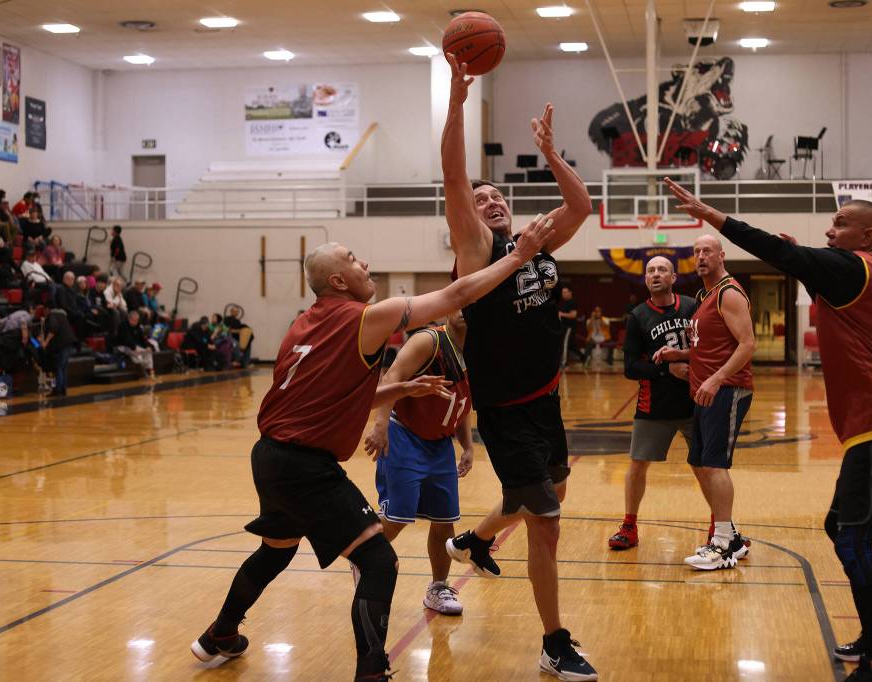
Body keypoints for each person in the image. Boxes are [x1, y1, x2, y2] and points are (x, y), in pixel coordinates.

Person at [189, 220, 556, 681]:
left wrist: (401, 388)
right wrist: (518, 257)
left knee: (277, 549)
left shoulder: (303, 325)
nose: (365, 263)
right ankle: (371, 671)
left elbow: (332, 396)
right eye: (353, 259)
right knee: (378, 559)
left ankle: (219, 635)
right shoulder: (363, 318)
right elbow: (456, 296)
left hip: (271, 457)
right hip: (305, 466)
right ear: (339, 281)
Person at [664, 178, 872, 682]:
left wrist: (712, 215)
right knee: (842, 529)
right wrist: (801, 264)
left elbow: (773, 251)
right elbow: (819, 281)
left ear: (868, 235)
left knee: (853, 541)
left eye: (841, 224)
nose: (830, 230)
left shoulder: (855, 267)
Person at [439, 53, 597, 681]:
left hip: (547, 398)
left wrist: (554, 155)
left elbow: (581, 207)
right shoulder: (476, 248)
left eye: (499, 193)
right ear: (468, 214)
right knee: (547, 522)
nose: (492, 200)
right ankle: (555, 642)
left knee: (551, 492)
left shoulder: (530, 243)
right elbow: (452, 173)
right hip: (505, 411)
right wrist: (456, 102)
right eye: (482, 198)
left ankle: (473, 542)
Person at [654, 233, 755, 571]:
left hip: (727, 389)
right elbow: (708, 345)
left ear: (721, 255)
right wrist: (680, 353)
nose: (700, 256)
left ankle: (723, 544)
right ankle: (733, 537)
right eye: (696, 252)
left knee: (715, 465)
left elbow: (747, 344)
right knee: (699, 463)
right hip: (705, 390)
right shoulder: (705, 295)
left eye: (707, 251)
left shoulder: (729, 293)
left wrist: (716, 378)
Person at [363, 310, 473, 616]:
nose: (464, 312)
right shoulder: (429, 340)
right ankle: (364, 556)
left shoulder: (479, 348)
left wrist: (467, 445)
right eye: (460, 305)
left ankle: (438, 588)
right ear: (449, 309)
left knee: (445, 519)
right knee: (398, 517)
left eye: (472, 306)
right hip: (404, 436)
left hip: (440, 444)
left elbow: (462, 402)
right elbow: (392, 377)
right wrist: (380, 424)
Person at [608, 257, 697, 550]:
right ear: (645, 279)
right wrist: (665, 369)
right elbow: (630, 368)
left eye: (662, 270)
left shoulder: (692, 307)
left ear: (674, 277)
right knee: (637, 466)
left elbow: (708, 348)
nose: (655, 274)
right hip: (654, 407)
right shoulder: (637, 317)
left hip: (695, 402)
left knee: (708, 467)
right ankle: (629, 526)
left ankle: (721, 528)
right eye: (650, 271)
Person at [41, 307, 77, 396]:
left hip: (62, 346)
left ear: (47, 309)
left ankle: (57, 390)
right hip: (70, 344)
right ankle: (63, 389)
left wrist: (45, 342)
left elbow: (53, 329)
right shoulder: (62, 315)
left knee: (58, 368)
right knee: (63, 368)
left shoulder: (52, 316)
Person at [115, 309, 156, 378]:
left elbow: (142, 339)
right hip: (122, 346)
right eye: (134, 320)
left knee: (148, 352)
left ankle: (150, 371)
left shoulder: (137, 326)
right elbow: (126, 340)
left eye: (137, 320)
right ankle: (142, 373)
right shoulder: (123, 326)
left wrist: (147, 346)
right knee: (137, 355)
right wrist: (134, 348)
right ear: (129, 319)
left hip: (133, 346)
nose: (135, 322)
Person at [557, 286, 584, 367]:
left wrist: (561, 314)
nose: (563, 294)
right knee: (571, 345)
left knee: (564, 344)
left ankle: (564, 362)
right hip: (565, 327)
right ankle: (584, 357)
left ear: (570, 292)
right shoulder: (566, 303)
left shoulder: (572, 302)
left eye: (565, 292)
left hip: (569, 327)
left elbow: (573, 315)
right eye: (562, 293)